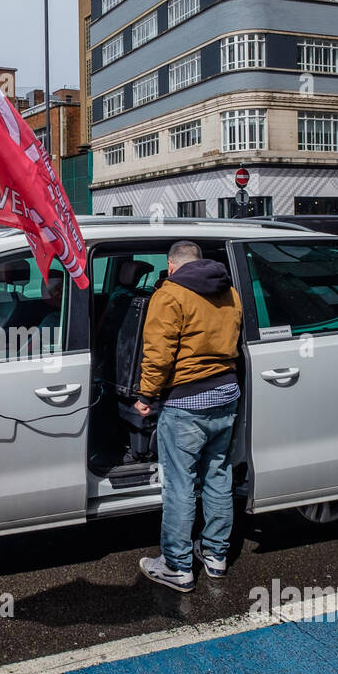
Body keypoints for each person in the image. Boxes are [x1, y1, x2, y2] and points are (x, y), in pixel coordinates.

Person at [134, 241, 243, 592]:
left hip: (187, 400)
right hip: (226, 393)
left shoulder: (169, 294)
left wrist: (147, 394)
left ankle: (177, 566)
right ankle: (215, 555)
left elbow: (159, 353)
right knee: (218, 474)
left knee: (180, 484)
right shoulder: (230, 291)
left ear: (170, 265)